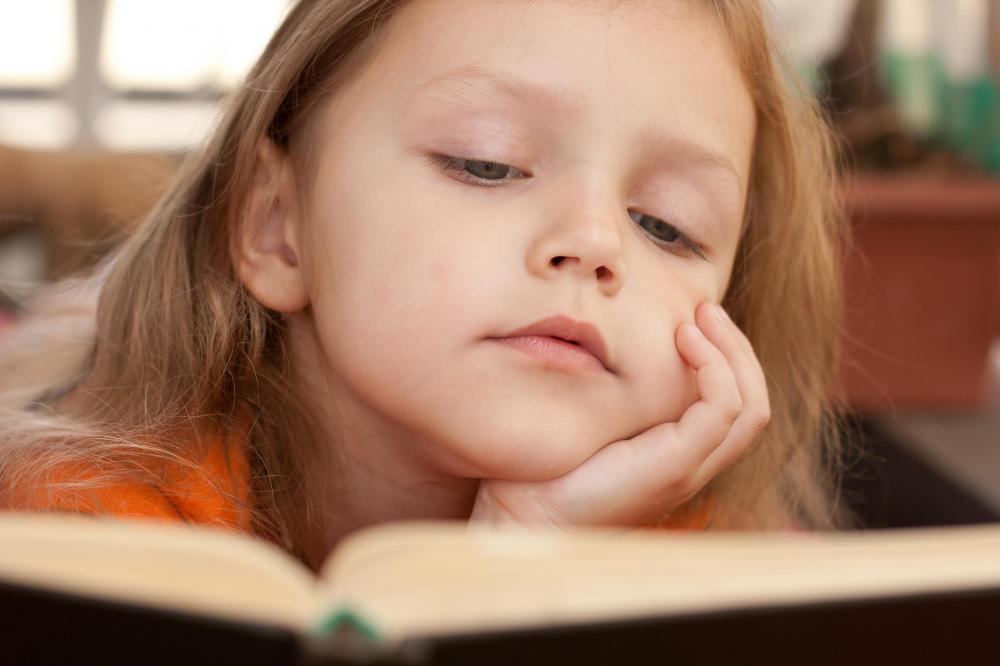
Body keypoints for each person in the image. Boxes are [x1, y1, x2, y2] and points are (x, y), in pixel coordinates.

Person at [0, 0, 849, 571]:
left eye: (667, 224)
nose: (595, 244)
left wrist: (525, 558)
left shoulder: (725, 573)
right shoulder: (76, 534)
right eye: (487, 163)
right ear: (275, 225)